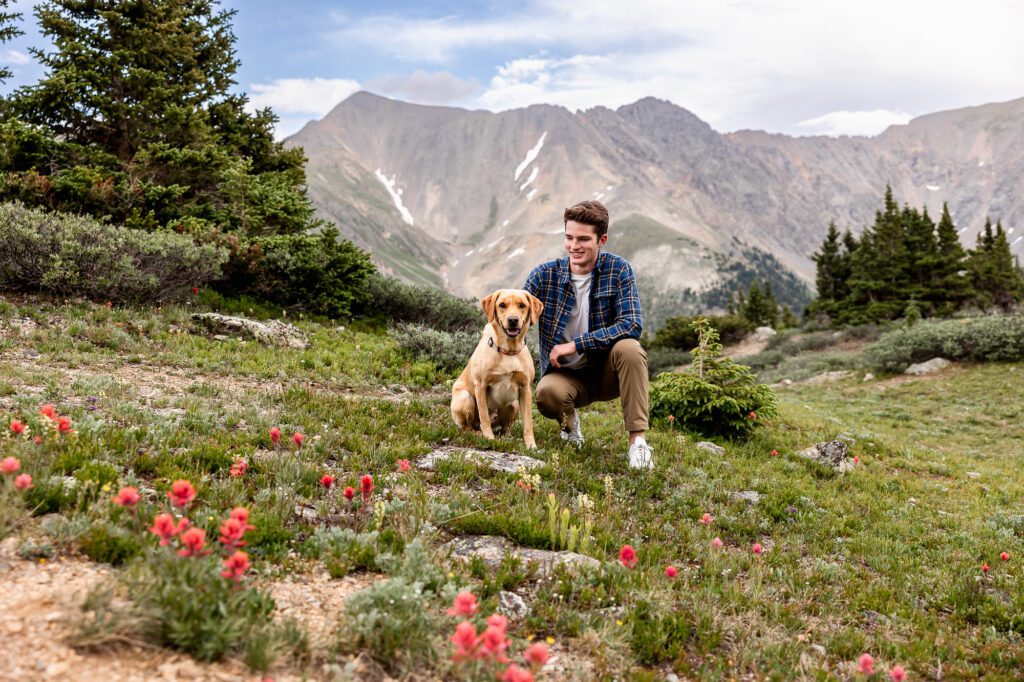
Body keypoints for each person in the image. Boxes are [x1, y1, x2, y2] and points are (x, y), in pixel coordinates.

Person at [523, 200, 653, 469]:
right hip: (565, 375)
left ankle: (638, 445)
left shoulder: (618, 269)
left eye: (583, 239)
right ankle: (570, 426)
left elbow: (631, 324)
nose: (574, 246)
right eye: (569, 237)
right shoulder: (543, 276)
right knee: (546, 394)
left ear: (601, 240)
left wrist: (576, 344)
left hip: (606, 371)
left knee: (630, 348)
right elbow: (515, 319)